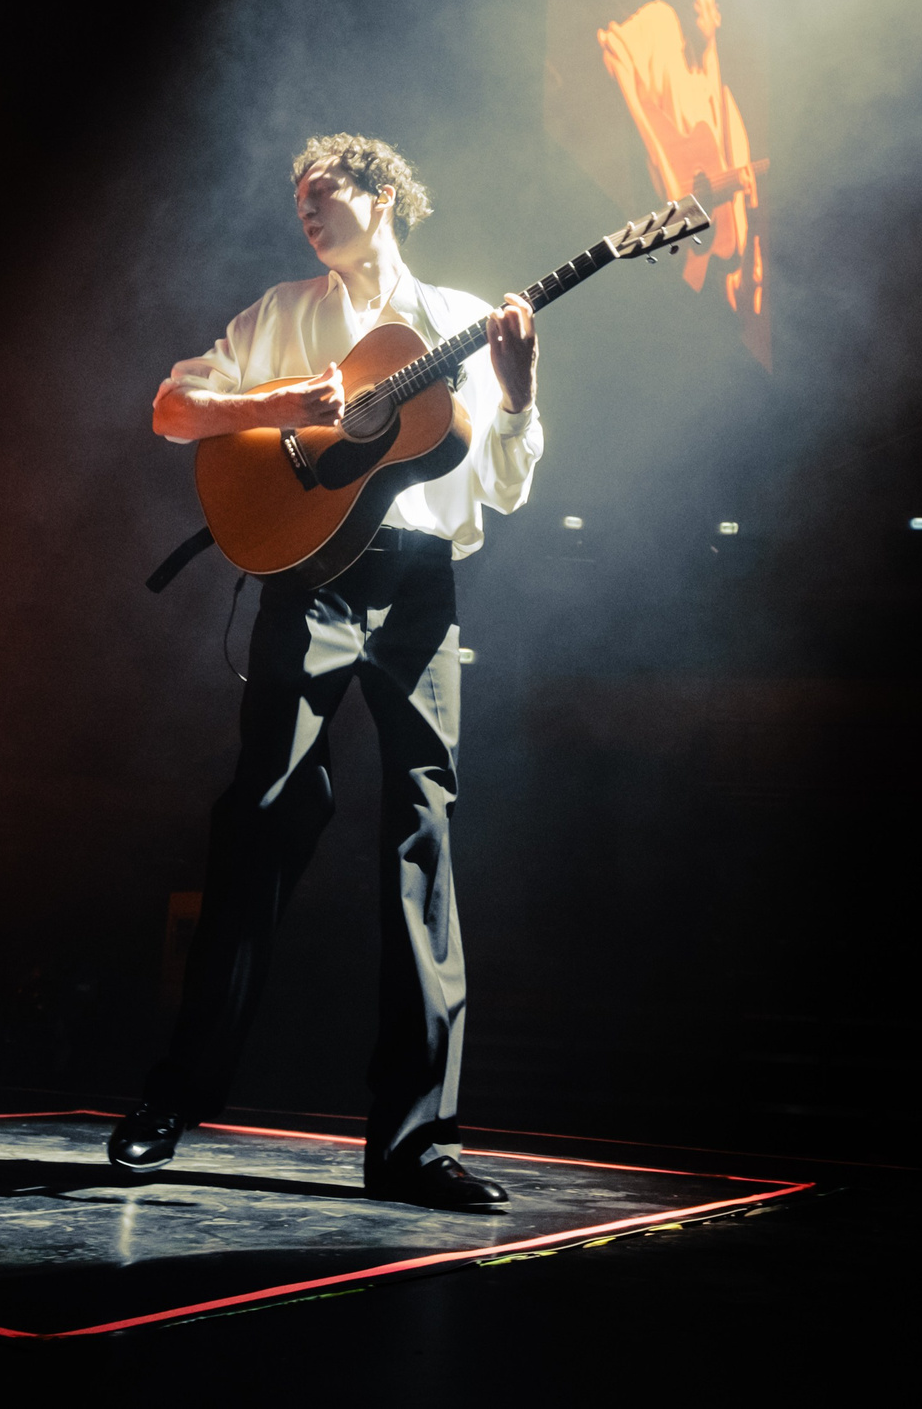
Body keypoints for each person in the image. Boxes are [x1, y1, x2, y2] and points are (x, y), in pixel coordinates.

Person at [108, 132, 543, 1211]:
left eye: (324, 191)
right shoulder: (280, 312)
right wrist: (279, 406)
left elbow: (505, 487)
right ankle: (177, 1092)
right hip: (308, 580)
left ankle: (414, 1145)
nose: (304, 209)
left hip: (421, 588)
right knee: (262, 814)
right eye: (296, 198)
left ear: (384, 193)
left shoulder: (454, 318)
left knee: (423, 833)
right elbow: (172, 411)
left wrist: (518, 389)